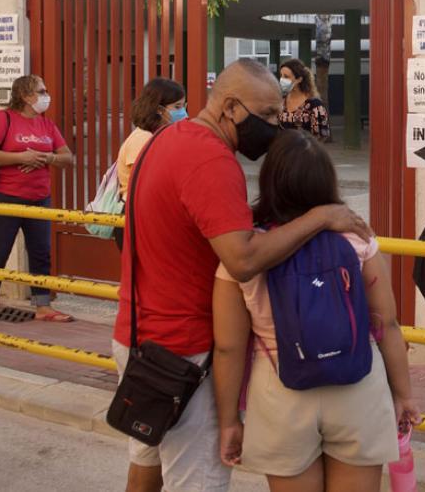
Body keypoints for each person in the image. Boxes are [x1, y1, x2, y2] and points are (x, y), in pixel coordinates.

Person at [112, 59, 371, 492]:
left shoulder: (168, 138)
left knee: (148, 460)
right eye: (268, 114)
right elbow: (243, 259)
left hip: (138, 336)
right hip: (182, 352)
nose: (275, 124)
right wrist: (322, 217)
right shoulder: (211, 159)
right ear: (231, 107)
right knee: (198, 481)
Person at [212, 130, 421, 491]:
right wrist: (403, 394)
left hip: (280, 390)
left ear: (270, 181)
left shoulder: (247, 253)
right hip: (357, 383)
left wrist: (229, 420)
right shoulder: (356, 238)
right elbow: (386, 323)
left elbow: (228, 347)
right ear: (327, 180)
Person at [0, 74, 76, 325]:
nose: (46, 96)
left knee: (41, 252)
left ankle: (43, 305)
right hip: (4, 198)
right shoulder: (3, 119)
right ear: (25, 95)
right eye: (41, 91)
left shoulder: (47, 125)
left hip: (39, 199)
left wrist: (46, 158)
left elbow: (67, 158)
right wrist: (22, 158)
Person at [111, 78, 187, 250]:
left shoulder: (159, 136)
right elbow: (149, 183)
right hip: (137, 219)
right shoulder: (143, 138)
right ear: (159, 110)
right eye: (177, 107)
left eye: (184, 105)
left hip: (149, 217)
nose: (183, 112)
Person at [278, 58, 330, 142]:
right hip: (283, 152)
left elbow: (322, 135)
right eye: (281, 75)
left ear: (299, 79)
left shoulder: (314, 104)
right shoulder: (280, 102)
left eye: (286, 76)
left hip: (305, 153)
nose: (282, 79)